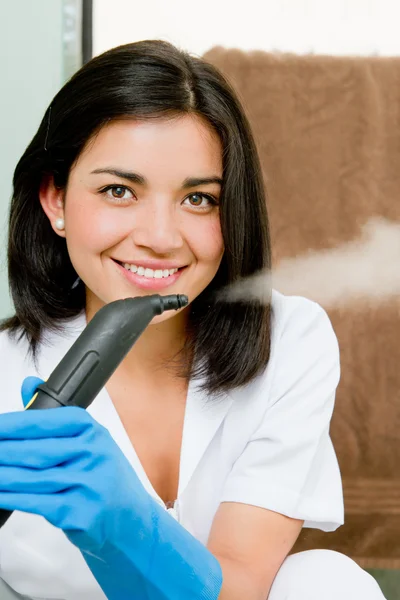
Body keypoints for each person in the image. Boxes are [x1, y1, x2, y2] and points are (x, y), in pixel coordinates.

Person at [0, 40, 385, 600]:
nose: (160, 238)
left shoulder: (289, 341)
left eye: (199, 199)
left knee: (328, 583)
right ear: (55, 200)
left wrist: (126, 528)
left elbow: (241, 584)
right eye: (118, 190)